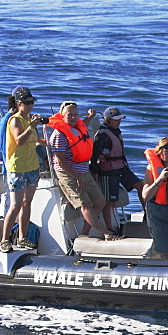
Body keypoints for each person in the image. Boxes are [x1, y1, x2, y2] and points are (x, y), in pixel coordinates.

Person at [47, 101, 119, 240]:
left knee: (100, 202)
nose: (73, 118)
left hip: (83, 170)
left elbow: (82, 125)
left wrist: (90, 117)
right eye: (69, 115)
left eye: (75, 115)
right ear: (62, 116)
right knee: (86, 204)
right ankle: (107, 233)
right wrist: (77, 177)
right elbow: (61, 162)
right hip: (69, 173)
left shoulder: (77, 127)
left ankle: (84, 234)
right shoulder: (59, 135)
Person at [0, 85, 46, 252]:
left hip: (32, 166)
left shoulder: (29, 119)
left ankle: (22, 237)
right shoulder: (15, 119)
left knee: (27, 203)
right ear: (18, 104)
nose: (30, 105)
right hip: (17, 168)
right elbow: (19, 140)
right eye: (27, 102)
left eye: (32, 102)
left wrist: (46, 142)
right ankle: (4, 240)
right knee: (16, 204)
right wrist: (32, 126)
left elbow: (34, 139)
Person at [92, 106, 144, 222]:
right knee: (109, 201)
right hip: (109, 171)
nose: (118, 122)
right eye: (116, 119)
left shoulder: (116, 131)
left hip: (122, 168)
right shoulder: (102, 135)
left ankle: (148, 216)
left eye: (119, 119)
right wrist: (94, 171)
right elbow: (94, 155)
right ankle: (110, 229)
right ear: (108, 119)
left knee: (141, 186)